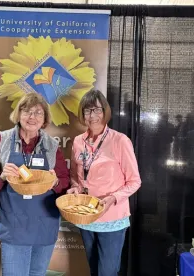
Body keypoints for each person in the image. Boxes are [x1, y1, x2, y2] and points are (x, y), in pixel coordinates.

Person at [0, 92, 69, 276]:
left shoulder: (52, 146)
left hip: (44, 225)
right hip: (14, 227)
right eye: (26, 111)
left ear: (44, 119)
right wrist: (2, 176)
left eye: (38, 112)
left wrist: (55, 181)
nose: (31, 117)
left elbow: (65, 183)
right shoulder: (2, 141)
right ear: (18, 115)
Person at [68, 90, 141, 276]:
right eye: (87, 111)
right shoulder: (78, 142)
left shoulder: (119, 140)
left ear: (105, 111)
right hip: (87, 216)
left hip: (112, 218)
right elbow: (76, 176)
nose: (92, 116)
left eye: (97, 110)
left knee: (107, 272)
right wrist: (75, 188)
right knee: (94, 270)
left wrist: (112, 198)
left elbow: (134, 181)